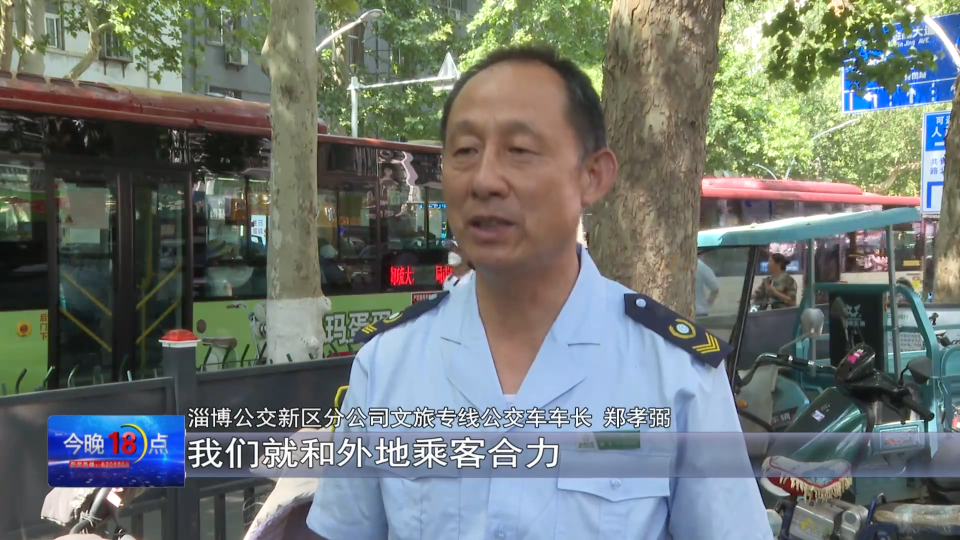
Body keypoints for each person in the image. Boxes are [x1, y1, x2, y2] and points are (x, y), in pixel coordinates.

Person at [306, 45, 770, 539]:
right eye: (465, 152)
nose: (485, 180)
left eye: (520, 151)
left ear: (593, 176)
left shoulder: (676, 375)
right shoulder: (388, 366)